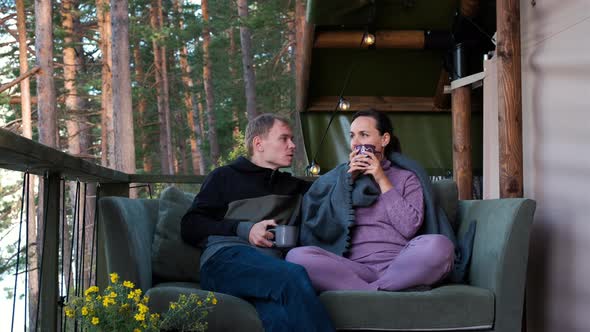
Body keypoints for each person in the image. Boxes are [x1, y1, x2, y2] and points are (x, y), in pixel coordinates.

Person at [180, 113, 335, 332]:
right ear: (258, 143)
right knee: (293, 274)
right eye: (284, 138)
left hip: (268, 274)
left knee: (280, 319)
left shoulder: (292, 187)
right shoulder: (224, 177)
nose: (292, 145)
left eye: (292, 139)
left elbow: (332, 191)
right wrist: (245, 229)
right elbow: (189, 225)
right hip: (224, 262)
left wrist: (358, 171)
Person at [286, 109, 455, 292]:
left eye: (364, 135)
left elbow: (408, 227)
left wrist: (382, 178)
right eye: (352, 136)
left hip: (400, 264)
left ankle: (368, 291)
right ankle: (386, 290)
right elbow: (322, 228)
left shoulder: (407, 178)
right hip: (353, 269)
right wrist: (347, 182)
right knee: (296, 256)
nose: (356, 143)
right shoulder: (339, 180)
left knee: (440, 246)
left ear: (384, 140)